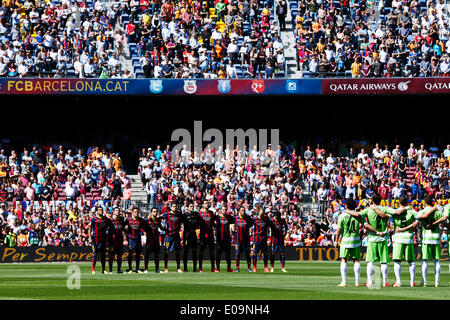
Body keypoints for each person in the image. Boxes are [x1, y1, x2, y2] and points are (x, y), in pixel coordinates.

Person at [415, 196, 447, 287]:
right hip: (436, 238)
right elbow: (444, 219)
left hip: (426, 239)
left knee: (424, 261)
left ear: (425, 202)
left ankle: (424, 281)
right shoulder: (437, 212)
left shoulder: (422, 211)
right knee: (437, 261)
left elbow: (417, 218)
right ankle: (437, 282)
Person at [388, 196, 419, 287]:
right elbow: (418, 221)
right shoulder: (412, 211)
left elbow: (386, 215)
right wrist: (408, 228)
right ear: (407, 202)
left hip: (398, 238)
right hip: (408, 237)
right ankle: (412, 282)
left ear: (399, 203)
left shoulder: (395, 211)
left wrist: (401, 229)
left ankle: (398, 282)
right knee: (411, 261)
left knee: (397, 261)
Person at [335, 198, 363, 287]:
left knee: (344, 260)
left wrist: (336, 241)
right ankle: (357, 282)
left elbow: (338, 230)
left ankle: (344, 282)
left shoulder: (342, 215)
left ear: (346, 205)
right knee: (356, 261)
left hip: (345, 240)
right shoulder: (358, 215)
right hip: (355, 240)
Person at [89, 206, 113, 274]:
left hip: (103, 239)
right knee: (95, 254)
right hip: (96, 239)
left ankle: (104, 269)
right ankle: (93, 269)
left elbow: (111, 225)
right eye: (99, 210)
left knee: (103, 255)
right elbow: (90, 228)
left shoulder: (105, 219)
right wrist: (90, 238)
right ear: (96, 211)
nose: (101, 211)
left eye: (102, 210)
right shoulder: (93, 219)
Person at [161, 203, 183, 273]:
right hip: (169, 235)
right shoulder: (166, 214)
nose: (175, 208)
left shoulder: (179, 214)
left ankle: (178, 268)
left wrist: (180, 227)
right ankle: (166, 267)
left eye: (175, 206)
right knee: (166, 251)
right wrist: (162, 227)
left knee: (178, 251)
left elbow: (182, 221)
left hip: (176, 235)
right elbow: (159, 218)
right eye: (173, 206)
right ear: (171, 207)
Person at [182, 202, 204, 272]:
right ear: (188, 207)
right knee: (186, 252)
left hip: (193, 234)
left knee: (194, 252)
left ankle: (195, 268)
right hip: (186, 235)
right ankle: (185, 268)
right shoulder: (184, 216)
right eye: (191, 206)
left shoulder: (196, 215)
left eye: (192, 206)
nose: (192, 207)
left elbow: (201, 222)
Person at [123, 207, 146, 273]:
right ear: (132, 212)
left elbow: (143, 227)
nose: (136, 213)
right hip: (131, 239)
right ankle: (130, 268)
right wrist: (125, 231)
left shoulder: (140, 220)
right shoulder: (128, 220)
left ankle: (137, 268)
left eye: (137, 212)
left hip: (138, 238)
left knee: (138, 254)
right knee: (130, 253)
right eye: (135, 212)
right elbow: (123, 229)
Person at [214, 207, 234, 272]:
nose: (224, 211)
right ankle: (218, 268)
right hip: (220, 240)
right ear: (220, 210)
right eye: (223, 209)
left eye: (225, 209)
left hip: (227, 239)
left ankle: (229, 268)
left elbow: (234, 220)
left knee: (228, 254)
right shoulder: (217, 217)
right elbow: (212, 221)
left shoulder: (229, 217)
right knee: (218, 254)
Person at [233, 206, 254, 272]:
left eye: (244, 210)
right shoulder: (235, 218)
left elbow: (252, 223)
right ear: (239, 211)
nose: (243, 212)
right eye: (242, 210)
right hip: (238, 239)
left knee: (248, 254)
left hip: (246, 239)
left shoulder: (248, 218)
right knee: (238, 253)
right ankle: (237, 268)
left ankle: (249, 268)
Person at [252, 208, 272, 272]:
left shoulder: (266, 219)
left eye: (263, 212)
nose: (262, 213)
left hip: (264, 239)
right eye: (261, 212)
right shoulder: (254, 219)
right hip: (256, 239)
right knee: (255, 253)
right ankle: (254, 267)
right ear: (258, 212)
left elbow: (271, 225)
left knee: (265, 254)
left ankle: (266, 267)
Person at [199, 201, 217, 272]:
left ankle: (213, 268)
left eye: (208, 203)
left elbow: (213, 223)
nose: (207, 204)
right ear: (203, 205)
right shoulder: (199, 214)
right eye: (206, 203)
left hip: (210, 235)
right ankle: (200, 267)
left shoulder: (211, 213)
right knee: (201, 251)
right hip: (203, 235)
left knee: (212, 251)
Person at [144, 207, 163, 273]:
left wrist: (166, 230)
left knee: (156, 254)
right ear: (151, 212)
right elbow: (142, 225)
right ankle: (146, 269)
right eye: (154, 211)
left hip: (156, 239)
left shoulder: (158, 220)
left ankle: (157, 269)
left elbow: (161, 227)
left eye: (156, 211)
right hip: (149, 239)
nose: (155, 213)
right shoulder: (147, 220)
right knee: (147, 254)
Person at [108, 207, 125, 274]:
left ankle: (119, 269)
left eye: (119, 210)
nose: (118, 212)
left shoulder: (121, 220)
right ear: (113, 212)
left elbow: (123, 228)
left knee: (119, 256)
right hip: (112, 241)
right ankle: (110, 270)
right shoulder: (110, 220)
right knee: (111, 255)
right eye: (116, 210)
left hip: (119, 240)